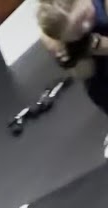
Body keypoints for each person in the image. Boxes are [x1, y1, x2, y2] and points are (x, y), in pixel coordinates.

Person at [38, 0, 108, 156]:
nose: (86, 27)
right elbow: (84, 73)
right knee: (97, 86)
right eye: (77, 30)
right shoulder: (58, 26)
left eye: (84, 16)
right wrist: (71, 55)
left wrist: (97, 45)